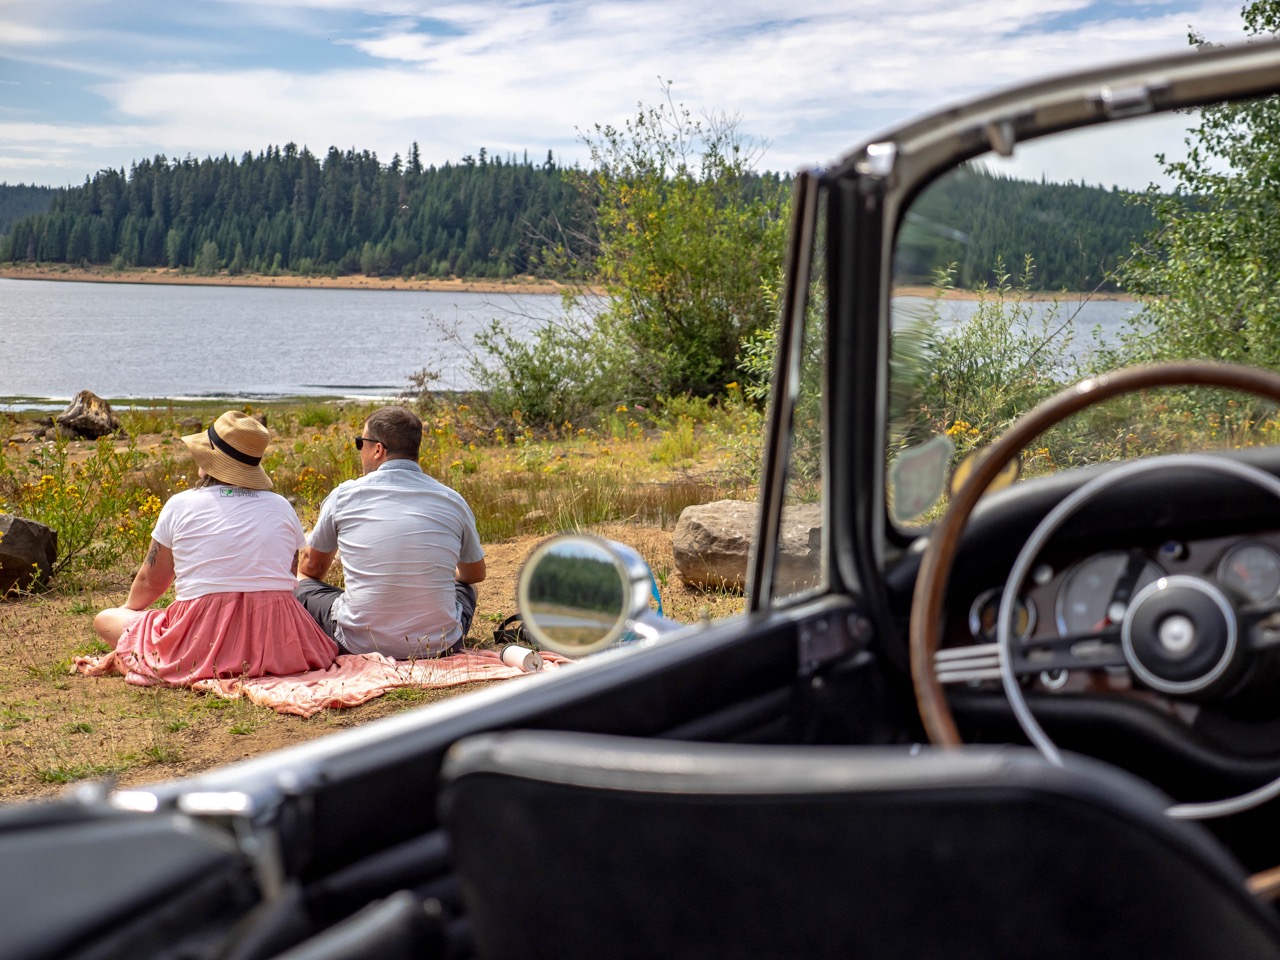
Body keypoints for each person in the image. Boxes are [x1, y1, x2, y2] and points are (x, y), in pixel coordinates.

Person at [93, 411, 339, 684]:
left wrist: (131, 613)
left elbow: (152, 580)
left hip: (203, 638)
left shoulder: (181, 504)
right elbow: (289, 575)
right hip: (278, 640)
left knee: (106, 619)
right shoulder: (281, 506)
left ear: (210, 460)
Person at [294, 406, 486, 660]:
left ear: (378, 449)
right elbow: (475, 574)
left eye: (360, 443)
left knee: (301, 584)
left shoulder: (343, 496)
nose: (359, 450)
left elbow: (312, 569)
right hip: (440, 645)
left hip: (357, 643)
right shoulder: (452, 500)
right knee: (466, 588)